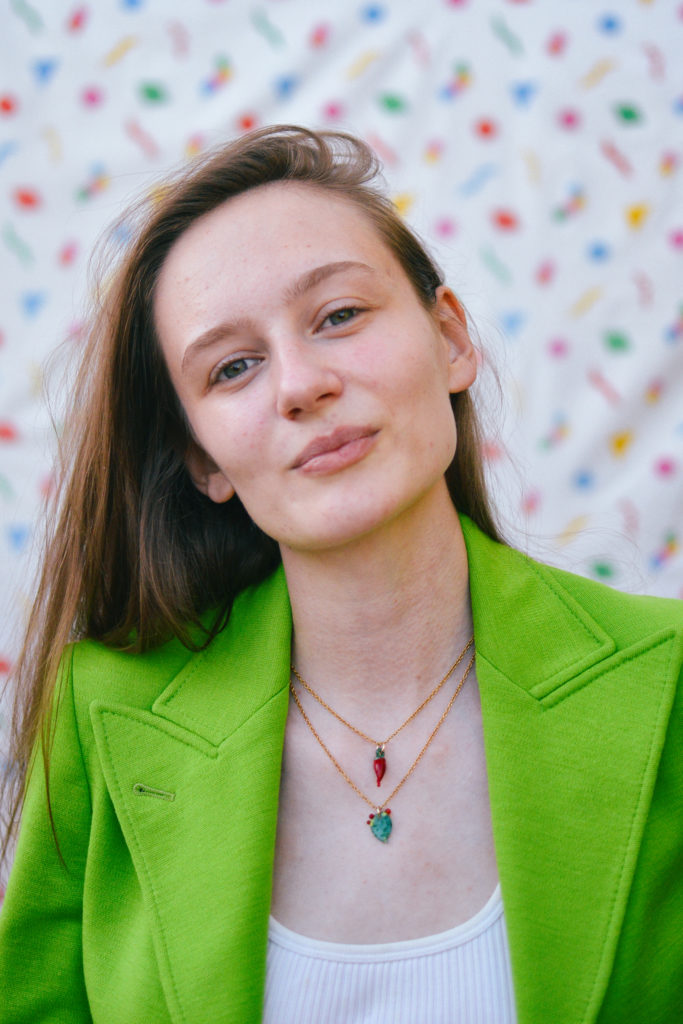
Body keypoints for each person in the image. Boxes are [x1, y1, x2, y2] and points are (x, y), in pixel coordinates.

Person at [0, 125, 680, 1024]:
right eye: (233, 367)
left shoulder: (665, 677)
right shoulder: (101, 710)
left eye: (338, 316)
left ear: (450, 341)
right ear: (201, 459)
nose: (299, 384)